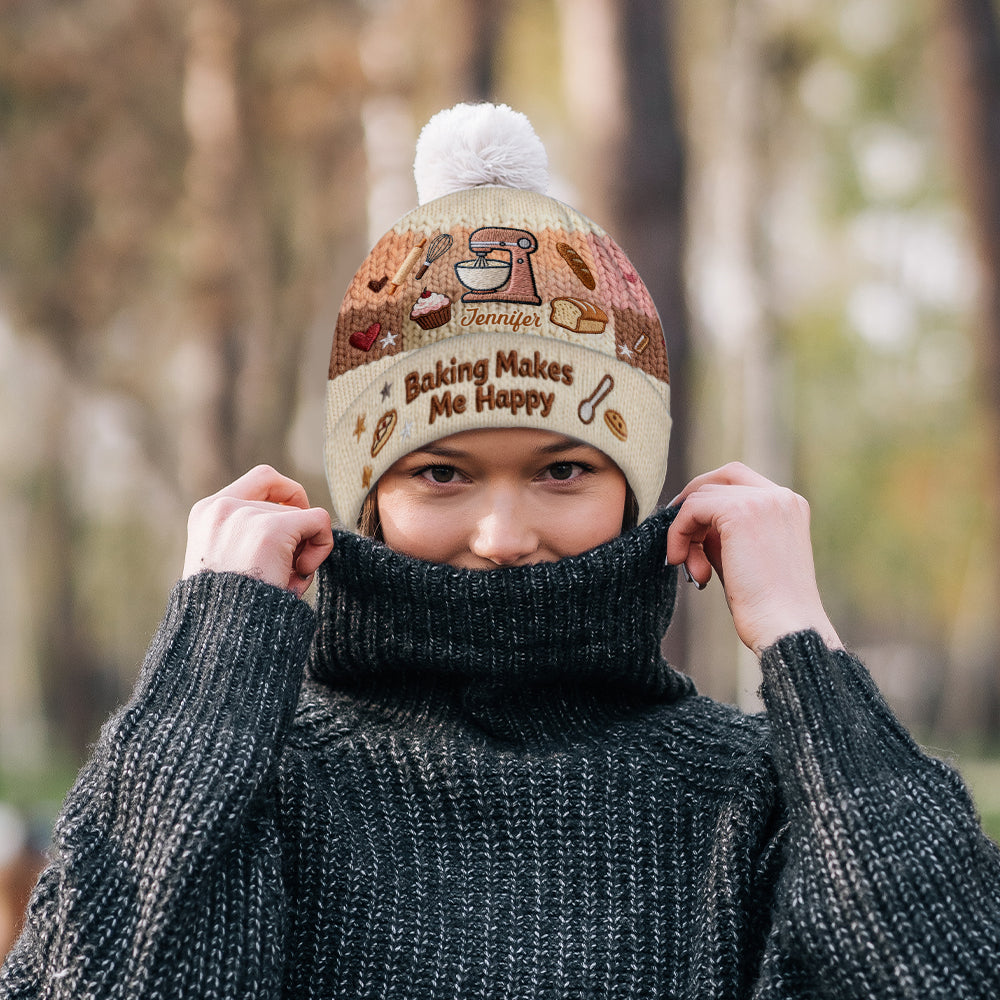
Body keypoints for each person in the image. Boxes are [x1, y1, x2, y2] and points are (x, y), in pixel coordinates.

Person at [2, 103, 998, 999]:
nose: (504, 533)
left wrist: (803, 646)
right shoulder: (260, 785)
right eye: (441, 473)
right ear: (369, 495)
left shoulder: (749, 798)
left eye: (563, 469)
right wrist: (200, 689)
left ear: (631, 488)